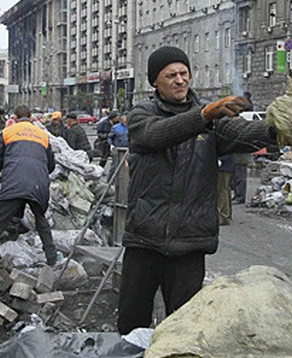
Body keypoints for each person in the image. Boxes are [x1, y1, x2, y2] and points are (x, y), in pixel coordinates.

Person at [117, 46, 276, 334]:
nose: (179, 80)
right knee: (131, 325)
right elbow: (157, 135)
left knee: (185, 331)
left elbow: (244, 134)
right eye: (171, 75)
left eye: (184, 74)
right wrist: (203, 116)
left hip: (190, 243)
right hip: (145, 239)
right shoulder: (142, 114)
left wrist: (281, 128)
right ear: (155, 81)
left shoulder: (211, 119)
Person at [0, 104, 58, 266]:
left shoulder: (8, 132)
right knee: (41, 223)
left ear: (14, 117)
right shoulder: (43, 135)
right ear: (31, 117)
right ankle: (52, 259)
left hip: (14, 183)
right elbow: (51, 165)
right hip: (38, 186)